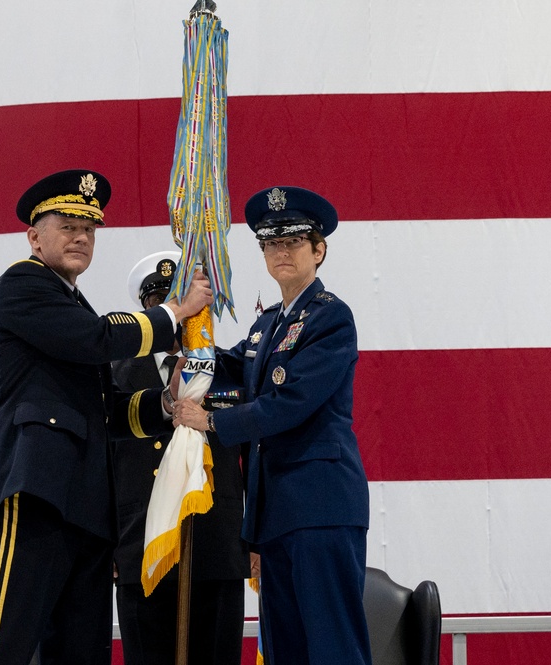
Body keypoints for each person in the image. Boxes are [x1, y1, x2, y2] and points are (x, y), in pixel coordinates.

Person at [0, 169, 213, 665]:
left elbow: (105, 411)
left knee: (81, 651)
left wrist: (165, 404)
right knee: (3, 641)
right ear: (34, 236)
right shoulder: (22, 285)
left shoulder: (73, 303)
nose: (81, 237)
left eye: (90, 229)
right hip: (34, 490)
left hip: (88, 505)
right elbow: (96, 338)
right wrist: (175, 314)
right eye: (68, 225)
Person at [173, 186, 372, 665]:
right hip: (276, 513)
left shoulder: (330, 318)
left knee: (332, 646)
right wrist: (188, 338)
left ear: (318, 250)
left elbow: (290, 403)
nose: (280, 251)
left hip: (320, 504)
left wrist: (212, 422)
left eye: (293, 241)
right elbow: (232, 367)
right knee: (286, 649)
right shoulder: (267, 327)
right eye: (270, 243)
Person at [112, 252, 248, 665]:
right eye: (163, 305)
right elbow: (97, 466)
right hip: (142, 549)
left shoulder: (230, 369)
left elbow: (255, 454)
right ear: (150, 311)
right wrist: (105, 546)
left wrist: (255, 539)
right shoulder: (115, 376)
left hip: (217, 546)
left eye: (189, 301)